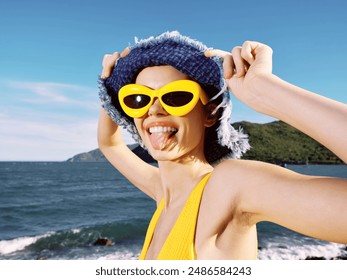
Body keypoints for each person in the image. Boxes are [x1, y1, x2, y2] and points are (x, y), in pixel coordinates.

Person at [97, 31, 347, 260]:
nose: (154, 110)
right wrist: (109, 88)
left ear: (211, 114)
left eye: (176, 96)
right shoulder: (164, 193)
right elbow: (109, 144)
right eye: (137, 98)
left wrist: (265, 91)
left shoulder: (231, 185)